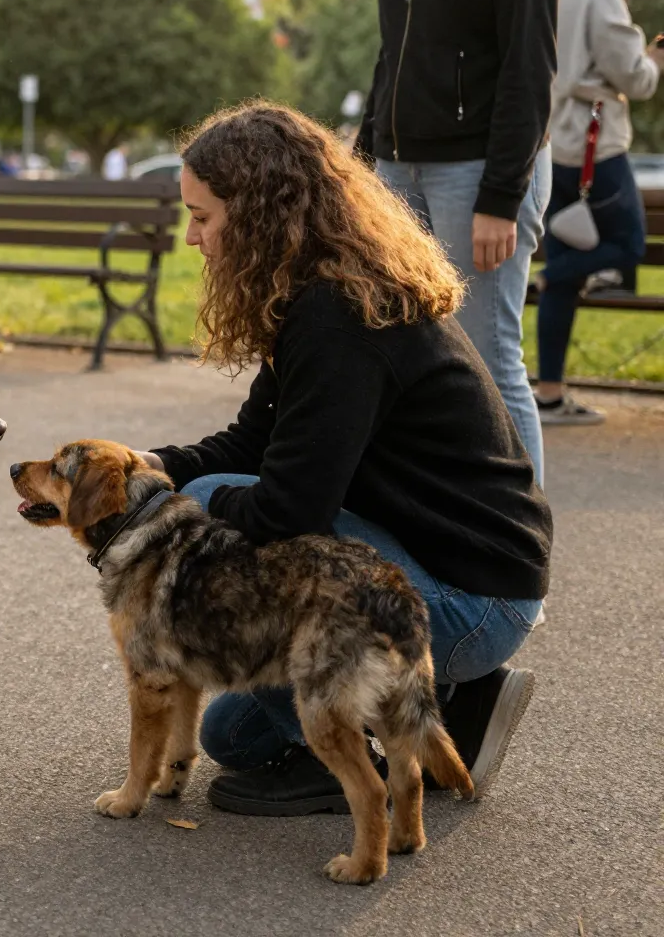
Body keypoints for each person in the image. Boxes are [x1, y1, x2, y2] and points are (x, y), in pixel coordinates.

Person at [147, 103, 550, 816]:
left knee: (210, 513)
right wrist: (145, 465)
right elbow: (252, 445)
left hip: (473, 599)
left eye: (204, 217)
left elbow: (287, 509)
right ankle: (454, 703)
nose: (192, 237)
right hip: (439, 571)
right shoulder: (317, 294)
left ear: (262, 213)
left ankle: (346, 756)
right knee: (231, 738)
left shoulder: (340, 318)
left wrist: (185, 500)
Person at [357, 0, 559, 482]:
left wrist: (501, 197)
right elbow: (392, 58)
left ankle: (517, 567)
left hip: (478, 176)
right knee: (404, 362)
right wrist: (361, 171)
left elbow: (529, 67)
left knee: (487, 361)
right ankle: (444, 542)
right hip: (400, 173)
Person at [534, 0, 662, 425]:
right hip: (597, 148)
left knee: (566, 280)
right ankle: (540, 278)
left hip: (556, 149)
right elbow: (635, 79)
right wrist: (654, 62)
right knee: (628, 244)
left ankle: (549, 393)